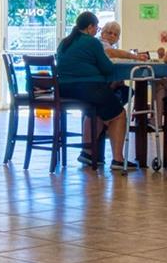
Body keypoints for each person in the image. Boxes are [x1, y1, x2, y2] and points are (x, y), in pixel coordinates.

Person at [55, 10, 132, 171]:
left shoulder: (65, 42)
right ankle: (118, 159)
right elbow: (107, 68)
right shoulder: (92, 42)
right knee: (119, 114)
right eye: (97, 28)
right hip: (88, 88)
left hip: (64, 90)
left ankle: (88, 153)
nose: (97, 31)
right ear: (90, 27)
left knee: (97, 111)